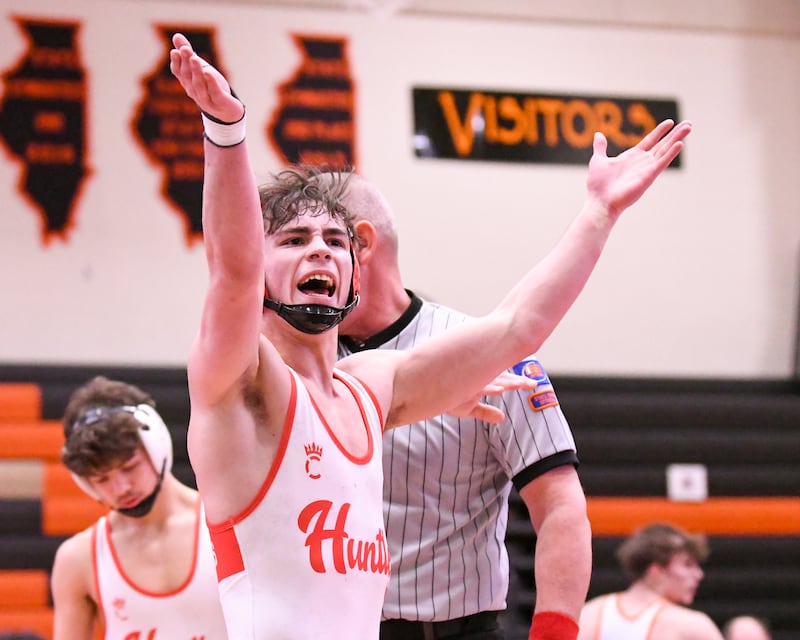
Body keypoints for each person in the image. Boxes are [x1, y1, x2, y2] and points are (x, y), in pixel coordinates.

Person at [169, 31, 691, 640]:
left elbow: (516, 327)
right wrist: (225, 130)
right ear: (263, 267)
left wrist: (598, 214)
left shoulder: (368, 388)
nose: (321, 251)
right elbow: (231, 273)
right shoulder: (241, 379)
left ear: (355, 270)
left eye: (335, 241)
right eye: (293, 240)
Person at [336, 173, 591, 640]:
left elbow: (560, 506)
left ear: (362, 243)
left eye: (323, 241)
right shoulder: (295, 361)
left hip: (456, 628)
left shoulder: (488, 351)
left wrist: (555, 633)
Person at [50, 376, 227, 640]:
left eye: (129, 467)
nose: (121, 488)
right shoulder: (78, 560)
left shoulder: (226, 523)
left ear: (156, 445)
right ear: (85, 483)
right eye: (102, 479)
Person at [578, 522, 724, 640]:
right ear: (656, 570)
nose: (699, 575)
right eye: (687, 565)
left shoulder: (587, 614)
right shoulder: (692, 625)